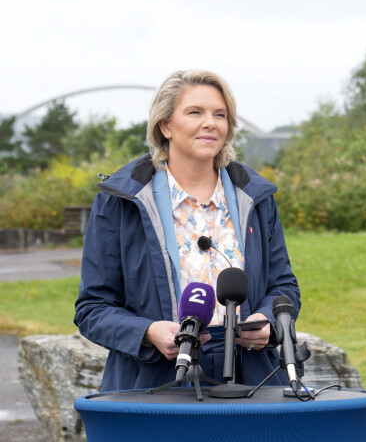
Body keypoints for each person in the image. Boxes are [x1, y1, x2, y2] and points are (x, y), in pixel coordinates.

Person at [75, 69, 300, 391]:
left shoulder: (257, 198)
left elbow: (284, 287)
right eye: (195, 112)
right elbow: (92, 308)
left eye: (220, 114)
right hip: (155, 378)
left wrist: (269, 323)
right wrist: (147, 332)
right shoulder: (119, 202)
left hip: (253, 378)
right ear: (165, 125)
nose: (211, 122)